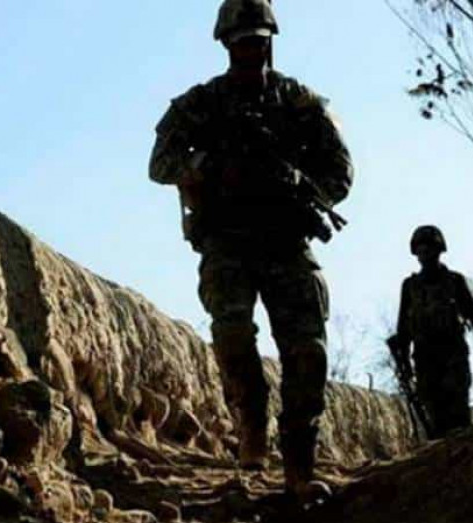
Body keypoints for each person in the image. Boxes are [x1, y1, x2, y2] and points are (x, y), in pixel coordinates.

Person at [148, 0, 353, 502]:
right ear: (225, 45)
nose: (250, 51)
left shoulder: (299, 103)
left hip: (286, 239)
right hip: (227, 239)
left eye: (258, 42)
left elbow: (340, 174)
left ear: (270, 42)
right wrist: (209, 166)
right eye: (241, 43)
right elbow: (160, 163)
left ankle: (299, 466)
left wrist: (299, 183)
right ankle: (251, 421)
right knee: (233, 332)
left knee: (307, 350)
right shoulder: (201, 104)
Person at [391, 225, 473, 439]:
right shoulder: (410, 286)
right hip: (425, 360)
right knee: (435, 423)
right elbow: (403, 328)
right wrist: (404, 364)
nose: (425, 254)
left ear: (439, 250)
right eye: (421, 250)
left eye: (429, 249)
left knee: (459, 421)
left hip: (453, 357)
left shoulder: (454, 282)